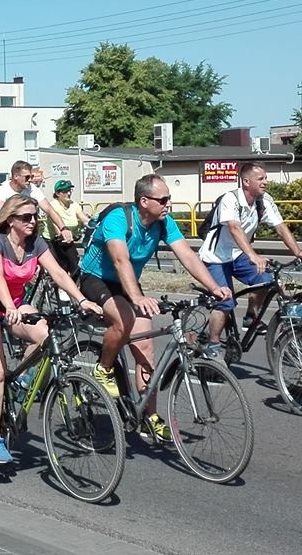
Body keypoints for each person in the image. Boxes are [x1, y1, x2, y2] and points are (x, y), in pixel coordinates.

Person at [80, 174, 231, 440]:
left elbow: (187, 255)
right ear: (144, 201)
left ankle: (150, 417)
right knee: (124, 319)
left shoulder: (163, 223)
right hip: (97, 279)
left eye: (168, 199)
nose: (168, 204)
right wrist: (137, 297)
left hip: (127, 283)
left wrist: (213, 286)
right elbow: (120, 259)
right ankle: (103, 368)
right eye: (163, 200)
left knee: (147, 351)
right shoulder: (119, 218)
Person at [0, 194, 102, 464]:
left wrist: (82, 300)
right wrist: (8, 307)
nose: (33, 221)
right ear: (10, 220)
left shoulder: (35, 243)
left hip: (13, 305)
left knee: (46, 335)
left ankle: (23, 381)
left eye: (35, 216)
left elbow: (58, 273)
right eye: (26, 217)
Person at [199, 162, 302, 357]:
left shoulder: (264, 200)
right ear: (246, 182)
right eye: (260, 179)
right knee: (225, 301)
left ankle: (251, 316)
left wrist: (297, 252)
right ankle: (213, 344)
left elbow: (280, 227)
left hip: (238, 255)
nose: (265, 182)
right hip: (216, 257)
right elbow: (234, 227)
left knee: (267, 279)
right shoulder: (231, 199)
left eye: (266, 178)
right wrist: (253, 255)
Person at [0, 160, 75, 244]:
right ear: (15, 176)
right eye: (27, 177)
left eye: (32, 176)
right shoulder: (2, 190)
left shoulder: (32, 189)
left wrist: (63, 228)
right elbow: (1, 214)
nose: (30, 180)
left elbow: (49, 209)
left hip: (29, 235)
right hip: (8, 235)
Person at [41, 179, 90, 277]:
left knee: (75, 266)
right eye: (65, 191)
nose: (68, 193)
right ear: (57, 193)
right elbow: (56, 226)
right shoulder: (53, 205)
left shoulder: (74, 204)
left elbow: (84, 219)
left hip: (68, 240)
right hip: (53, 240)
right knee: (60, 268)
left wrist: (94, 224)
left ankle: (74, 284)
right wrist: (62, 234)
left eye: (69, 191)